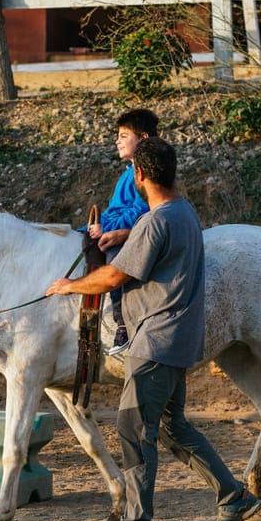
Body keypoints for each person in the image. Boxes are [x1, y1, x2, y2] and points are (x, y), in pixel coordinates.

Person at [46, 137, 261, 521]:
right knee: (170, 426)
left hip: (156, 340)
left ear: (140, 175)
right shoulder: (183, 213)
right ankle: (234, 497)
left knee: (132, 427)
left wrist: (68, 286)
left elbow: (113, 278)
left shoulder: (156, 221)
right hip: (177, 338)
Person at [87, 108, 156, 356]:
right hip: (116, 226)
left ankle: (122, 319)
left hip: (133, 234)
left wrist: (106, 228)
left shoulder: (144, 173)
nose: (117, 140)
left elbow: (141, 209)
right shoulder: (128, 173)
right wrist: (90, 227)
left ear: (144, 138)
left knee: (115, 257)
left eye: (124, 135)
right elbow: (114, 210)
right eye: (118, 135)